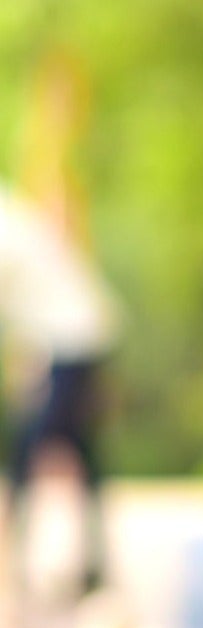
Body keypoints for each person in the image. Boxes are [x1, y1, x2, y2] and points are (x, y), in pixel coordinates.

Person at [0, 182, 121, 601]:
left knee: (33, 448)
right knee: (76, 449)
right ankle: (95, 562)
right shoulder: (14, 213)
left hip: (73, 340)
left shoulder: (6, 224)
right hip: (76, 338)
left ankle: (14, 562)